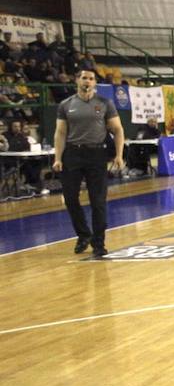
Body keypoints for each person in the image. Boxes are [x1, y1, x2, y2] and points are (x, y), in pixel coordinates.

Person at [52, 67, 124, 258]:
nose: (88, 81)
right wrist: (57, 158)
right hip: (72, 154)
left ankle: (99, 243)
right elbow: (60, 133)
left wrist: (119, 155)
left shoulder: (104, 103)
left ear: (94, 83)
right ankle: (84, 235)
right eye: (84, 78)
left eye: (91, 79)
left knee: (98, 201)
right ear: (77, 80)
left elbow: (117, 130)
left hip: (96, 155)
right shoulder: (66, 105)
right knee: (70, 199)